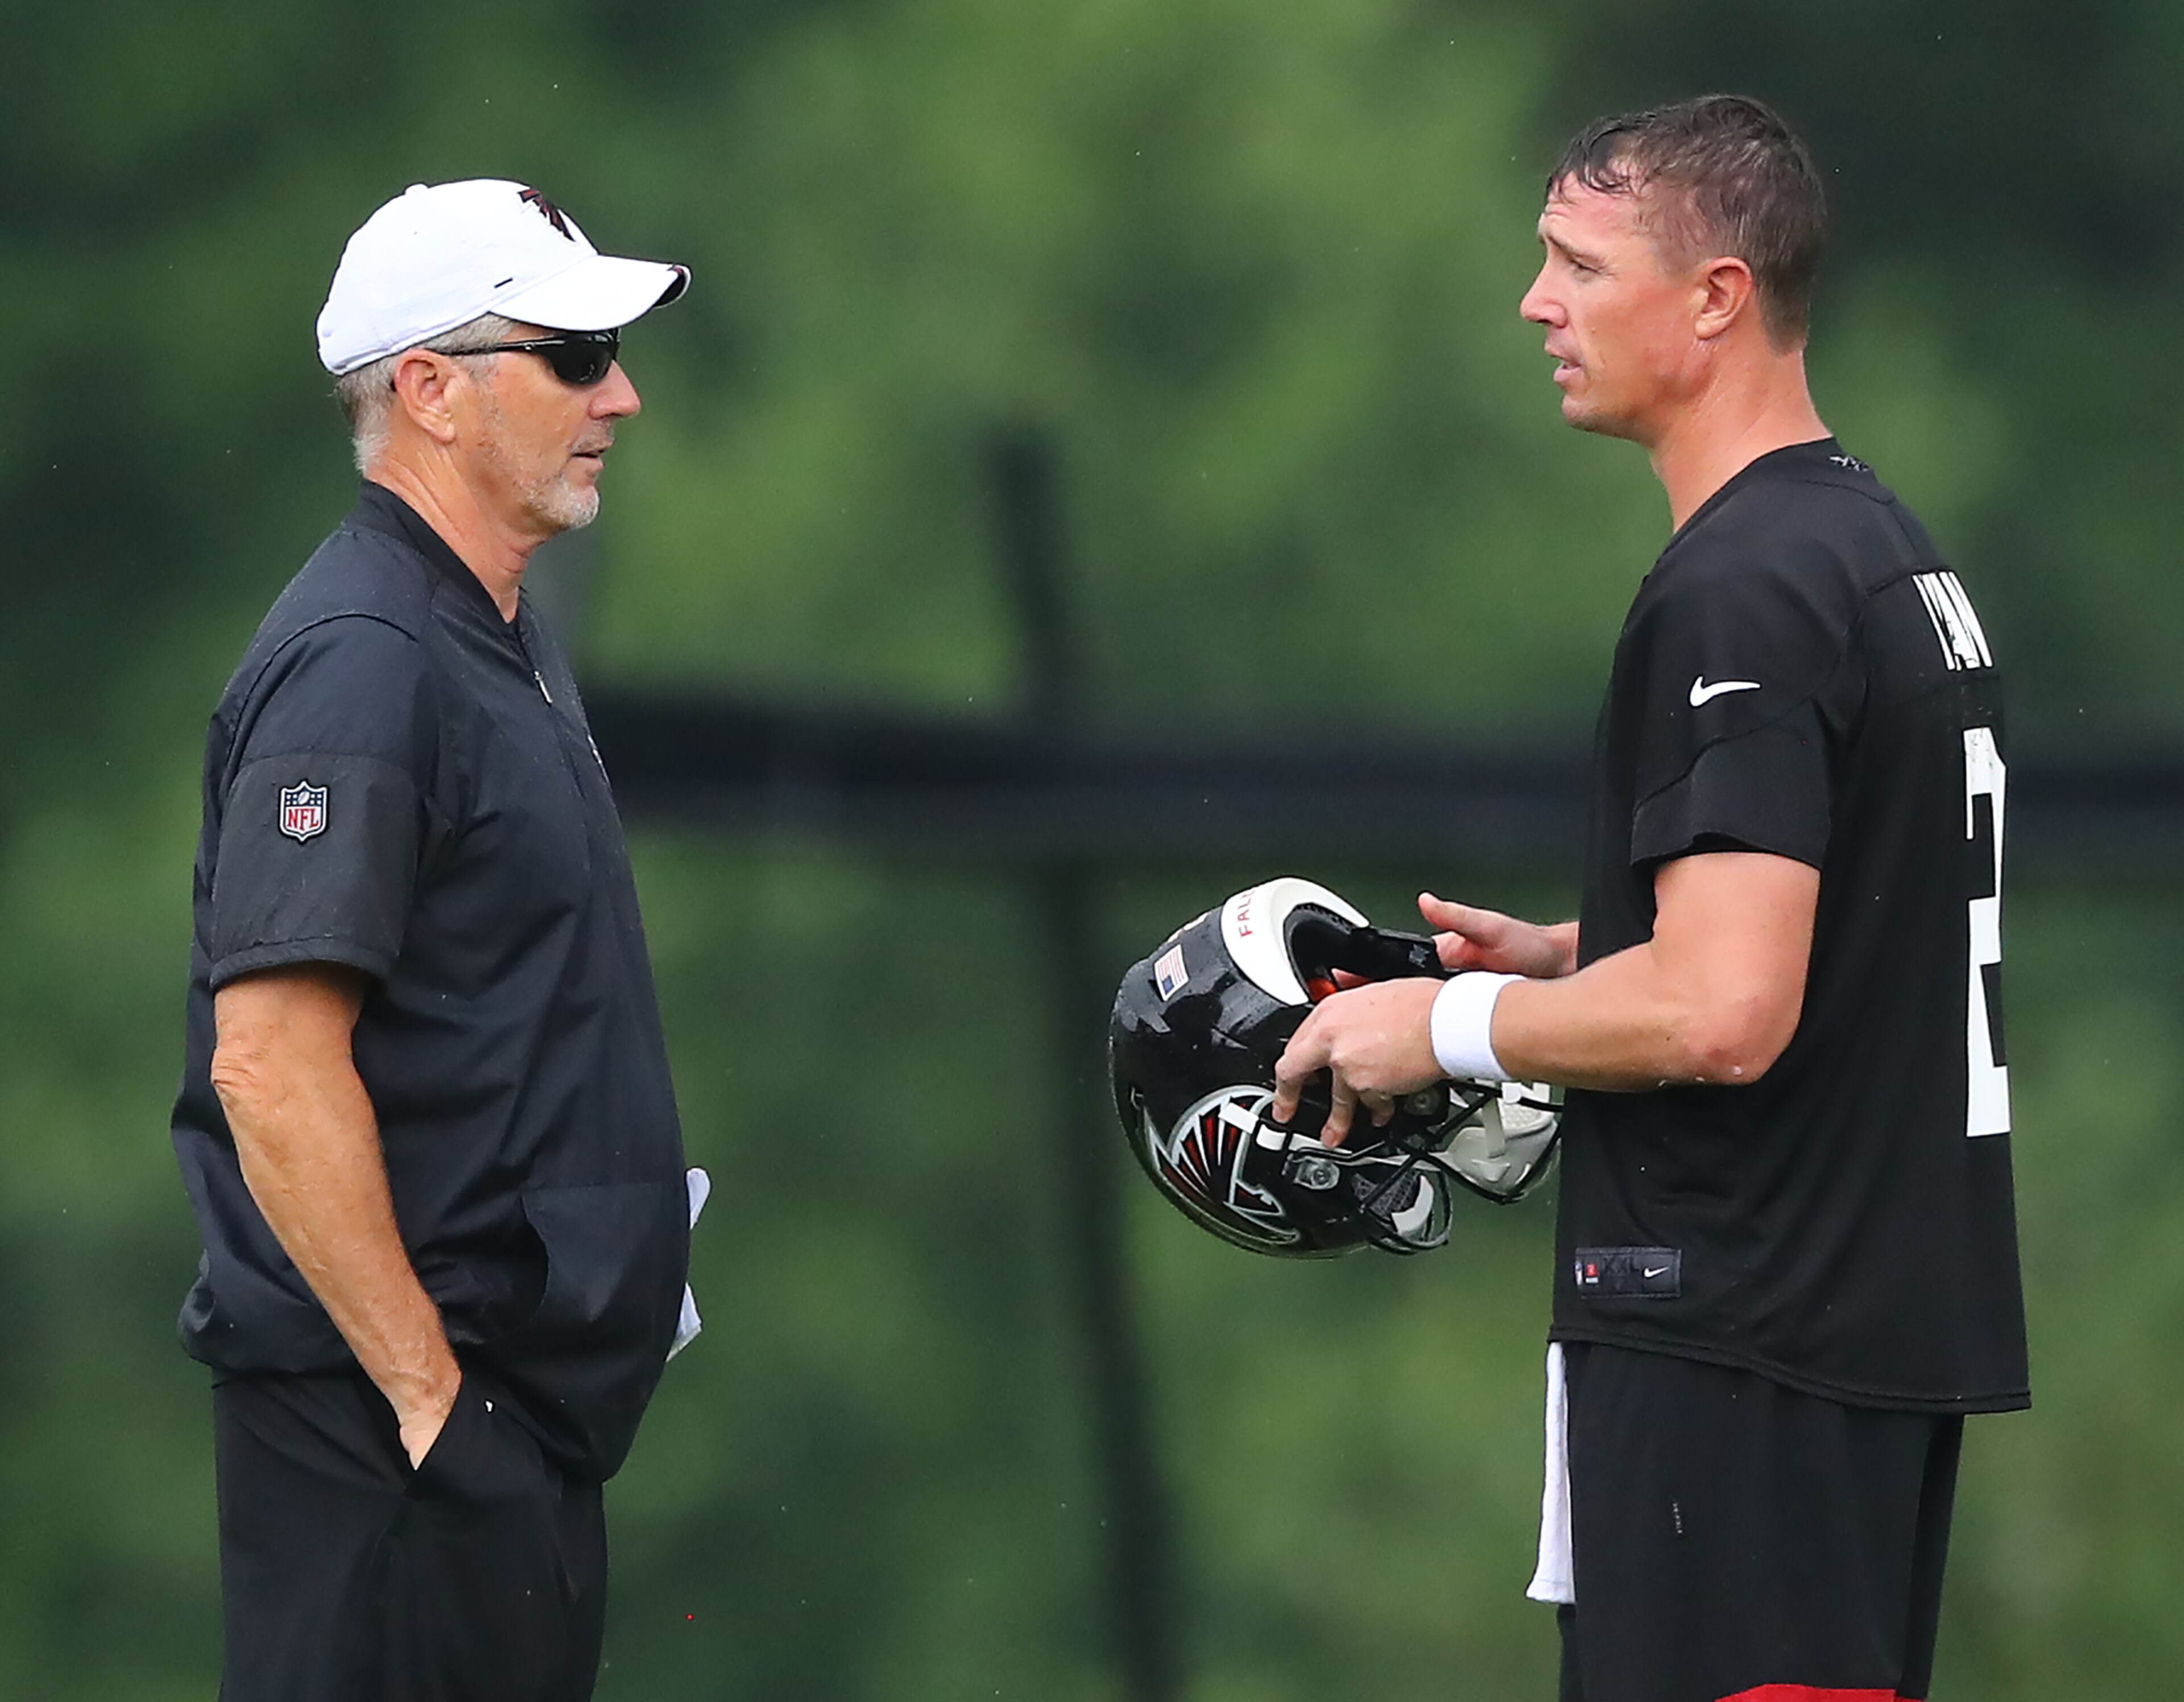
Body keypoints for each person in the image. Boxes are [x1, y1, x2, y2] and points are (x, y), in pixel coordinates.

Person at [1272, 96, 2026, 1702]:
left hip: (1741, 1347)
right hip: (1843, 1345)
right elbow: (1827, 947)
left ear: (1716, 298)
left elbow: (1723, 1013)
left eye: (1578, 264)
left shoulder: (1744, 582)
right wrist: (1579, 960)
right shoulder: (1872, 546)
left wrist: (1451, 1024)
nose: (1537, 303)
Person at [169, 178, 701, 1702]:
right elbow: (269, 1065)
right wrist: (429, 1402)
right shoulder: (366, 665)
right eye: (578, 356)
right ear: (431, 393)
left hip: (496, 1439)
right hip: (397, 1441)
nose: (625, 397)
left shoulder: (486, 633)